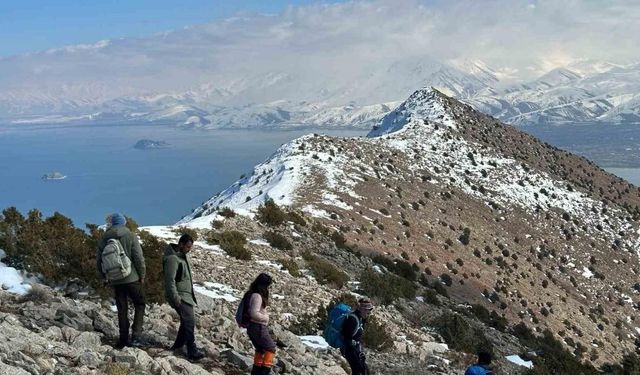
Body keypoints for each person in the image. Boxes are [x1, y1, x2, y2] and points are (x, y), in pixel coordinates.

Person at [96, 213, 146, 349]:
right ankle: (136, 336)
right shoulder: (130, 235)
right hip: (132, 278)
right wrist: (142, 274)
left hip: (116, 280)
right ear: (123, 223)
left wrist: (104, 277)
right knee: (140, 304)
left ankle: (123, 339)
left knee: (122, 309)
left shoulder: (104, 238)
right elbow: (138, 257)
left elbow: (99, 260)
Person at [163, 234, 205, 361]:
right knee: (189, 322)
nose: (189, 249)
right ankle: (192, 350)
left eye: (190, 247)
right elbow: (169, 281)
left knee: (185, 321)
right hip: (180, 296)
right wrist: (175, 298)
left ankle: (177, 346)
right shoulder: (172, 259)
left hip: (186, 296)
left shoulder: (182, 258)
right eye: (187, 246)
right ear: (180, 244)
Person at [242, 273, 277, 375]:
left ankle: (256, 371)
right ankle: (264, 371)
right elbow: (254, 313)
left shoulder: (251, 293)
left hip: (252, 327)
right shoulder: (257, 296)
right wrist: (265, 318)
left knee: (260, 349)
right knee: (270, 348)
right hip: (258, 326)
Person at [341, 298, 374, 375]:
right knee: (360, 372)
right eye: (367, 310)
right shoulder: (353, 319)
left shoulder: (360, 319)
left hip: (355, 350)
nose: (368, 312)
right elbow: (347, 337)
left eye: (369, 310)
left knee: (363, 371)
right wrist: (355, 352)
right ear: (361, 309)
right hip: (350, 350)